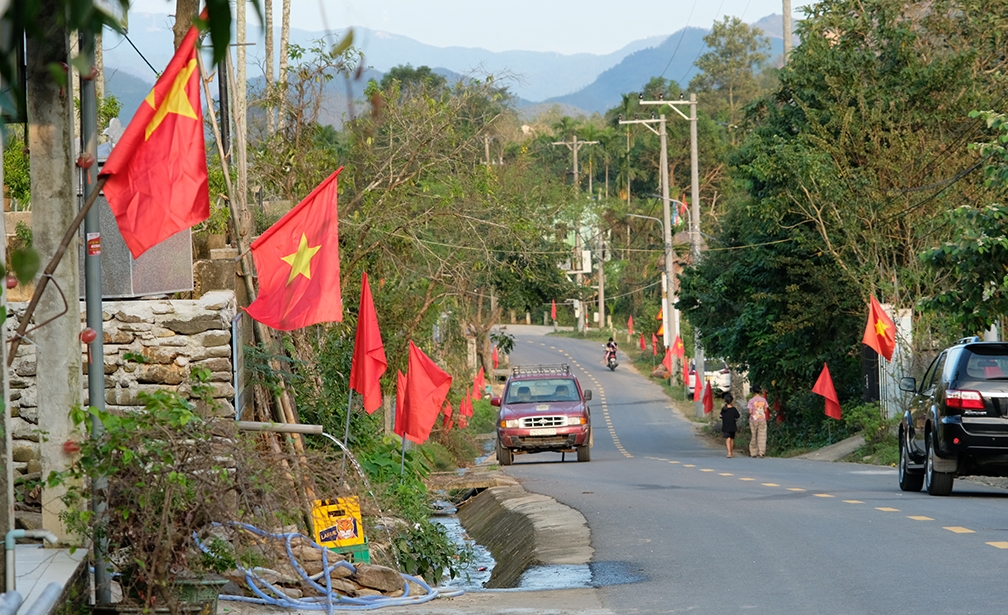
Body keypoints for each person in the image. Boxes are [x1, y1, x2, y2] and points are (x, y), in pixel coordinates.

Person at [747, 386, 769, 458]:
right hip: (762, 419)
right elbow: (765, 410)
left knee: (754, 435)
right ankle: (761, 452)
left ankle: (753, 453)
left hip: (753, 420)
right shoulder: (763, 400)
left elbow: (750, 412)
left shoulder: (751, 401)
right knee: (762, 436)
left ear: (753, 391)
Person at [720, 393, 740, 458]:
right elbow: (737, 416)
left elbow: (720, 416)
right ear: (732, 401)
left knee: (727, 439)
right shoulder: (733, 409)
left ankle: (729, 452)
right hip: (732, 426)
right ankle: (731, 452)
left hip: (725, 426)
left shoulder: (723, 409)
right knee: (731, 439)